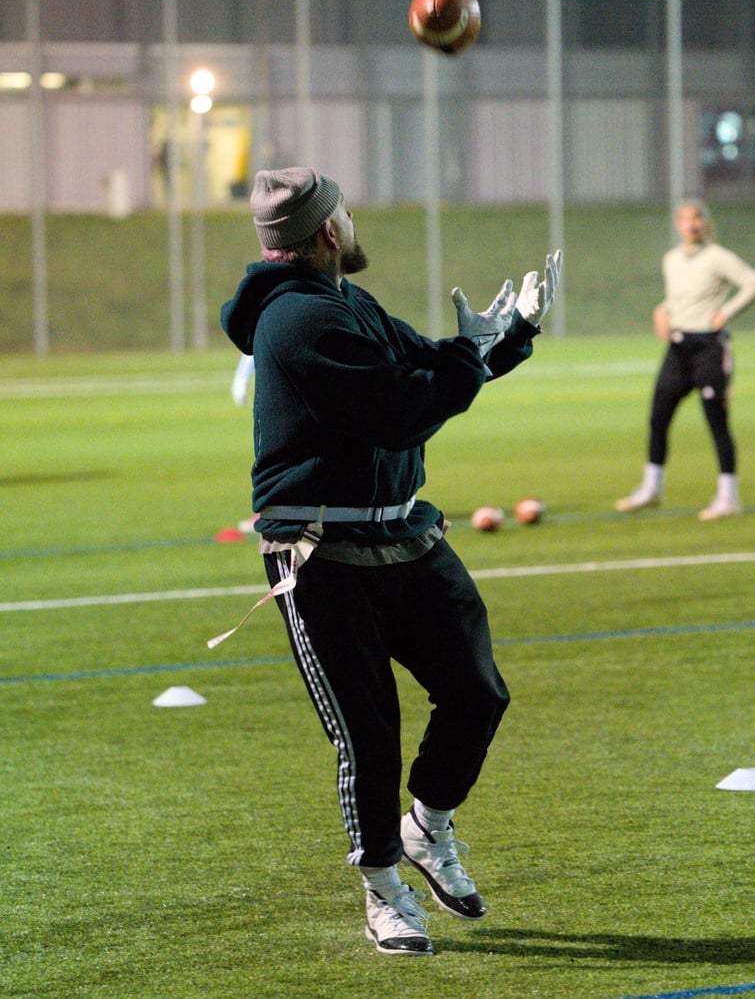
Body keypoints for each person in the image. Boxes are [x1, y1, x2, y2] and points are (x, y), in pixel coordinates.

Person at [220, 166, 562, 957]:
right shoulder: (298, 320)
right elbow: (402, 410)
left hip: (403, 535)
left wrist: (506, 339)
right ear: (328, 229)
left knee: (476, 692)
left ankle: (427, 827)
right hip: (322, 555)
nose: (351, 220)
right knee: (368, 736)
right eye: (344, 210)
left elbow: (426, 362)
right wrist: (468, 361)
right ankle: (383, 890)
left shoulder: (347, 302)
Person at [616, 197, 755, 520]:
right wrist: (663, 310)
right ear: (678, 224)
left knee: (716, 421)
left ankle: (729, 497)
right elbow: (677, 297)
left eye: (697, 217)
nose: (691, 223)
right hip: (678, 349)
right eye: (684, 218)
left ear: (705, 223)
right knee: (658, 418)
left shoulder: (717, 257)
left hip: (709, 348)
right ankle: (651, 489)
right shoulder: (672, 259)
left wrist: (727, 311)